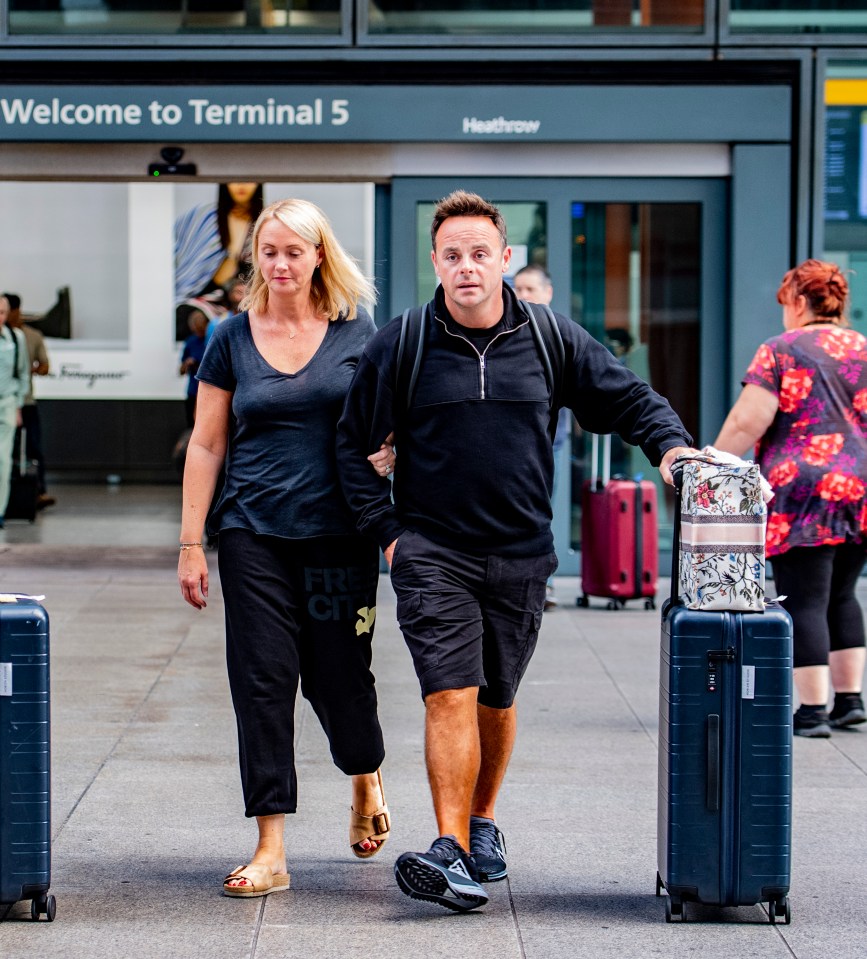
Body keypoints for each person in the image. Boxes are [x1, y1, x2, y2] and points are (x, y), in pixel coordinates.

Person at [337, 190, 694, 912]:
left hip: (522, 554)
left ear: (505, 260)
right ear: (434, 263)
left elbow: (626, 397)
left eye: (478, 253)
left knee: (496, 697)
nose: (465, 267)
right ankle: (448, 847)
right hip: (432, 551)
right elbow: (350, 443)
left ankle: (479, 820)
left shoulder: (550, 338)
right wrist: (390, 537)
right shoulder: (403, 343)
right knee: (448, 691)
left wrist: (671, 446)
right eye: (451, 255)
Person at [177, 198, 396, 898]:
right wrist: (190, 541)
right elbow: (207, 442)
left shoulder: (358, 334)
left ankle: (364, 774)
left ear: (318, 257)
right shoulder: (229, 337)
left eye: (292, 252)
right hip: (251, 533)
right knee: (262, 680)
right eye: (268, 252)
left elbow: (391, 427)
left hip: (341, 536)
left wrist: (392, 455)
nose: (278, 264)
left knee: (338, 680)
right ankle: (270, 845)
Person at [713, 258, 867, 739]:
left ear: (799, 301)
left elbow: (748, 422)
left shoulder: (781, 349)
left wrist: (711, 464)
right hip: (860, 486)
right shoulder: (863, 348)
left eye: (785, 303)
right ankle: (850, 701)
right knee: (843, 594)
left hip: (803, 491)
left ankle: (813, 709)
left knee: (805, 598)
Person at [513, 265, 569, 610]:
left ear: (547, 293)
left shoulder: (556, 336)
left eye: (530, 289)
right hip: (513, 446)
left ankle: (542, 583)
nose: (523, 296)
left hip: (550, 446)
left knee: (541, 510)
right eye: (518, 288)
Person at [174, 183, 264, 340]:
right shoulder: (206, 218)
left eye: (250, 179)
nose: (241, 186)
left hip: (248, 295)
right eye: (233, 179)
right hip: (209, 295)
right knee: (187, 321)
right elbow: (190, 260)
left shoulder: (264, 221)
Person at [3, 293, 54, 510]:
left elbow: (43, 366)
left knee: (34, 447)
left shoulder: (30, 337)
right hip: (8, 400)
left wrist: (25, 371)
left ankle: (38, 491)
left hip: (25, 402)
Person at [0, 295, 29, 529]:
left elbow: (23, 375)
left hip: (7, 403)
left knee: (3, 460)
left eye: (2, 312)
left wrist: (18, 404)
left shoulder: (16, 339)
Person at [178, 307, 209, 427]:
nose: (198, 332)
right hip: (193, 391)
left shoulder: (211, 339)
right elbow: (181, 370)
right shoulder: (191, 341)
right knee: (191, 424)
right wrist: (187, 363)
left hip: (207, 392)